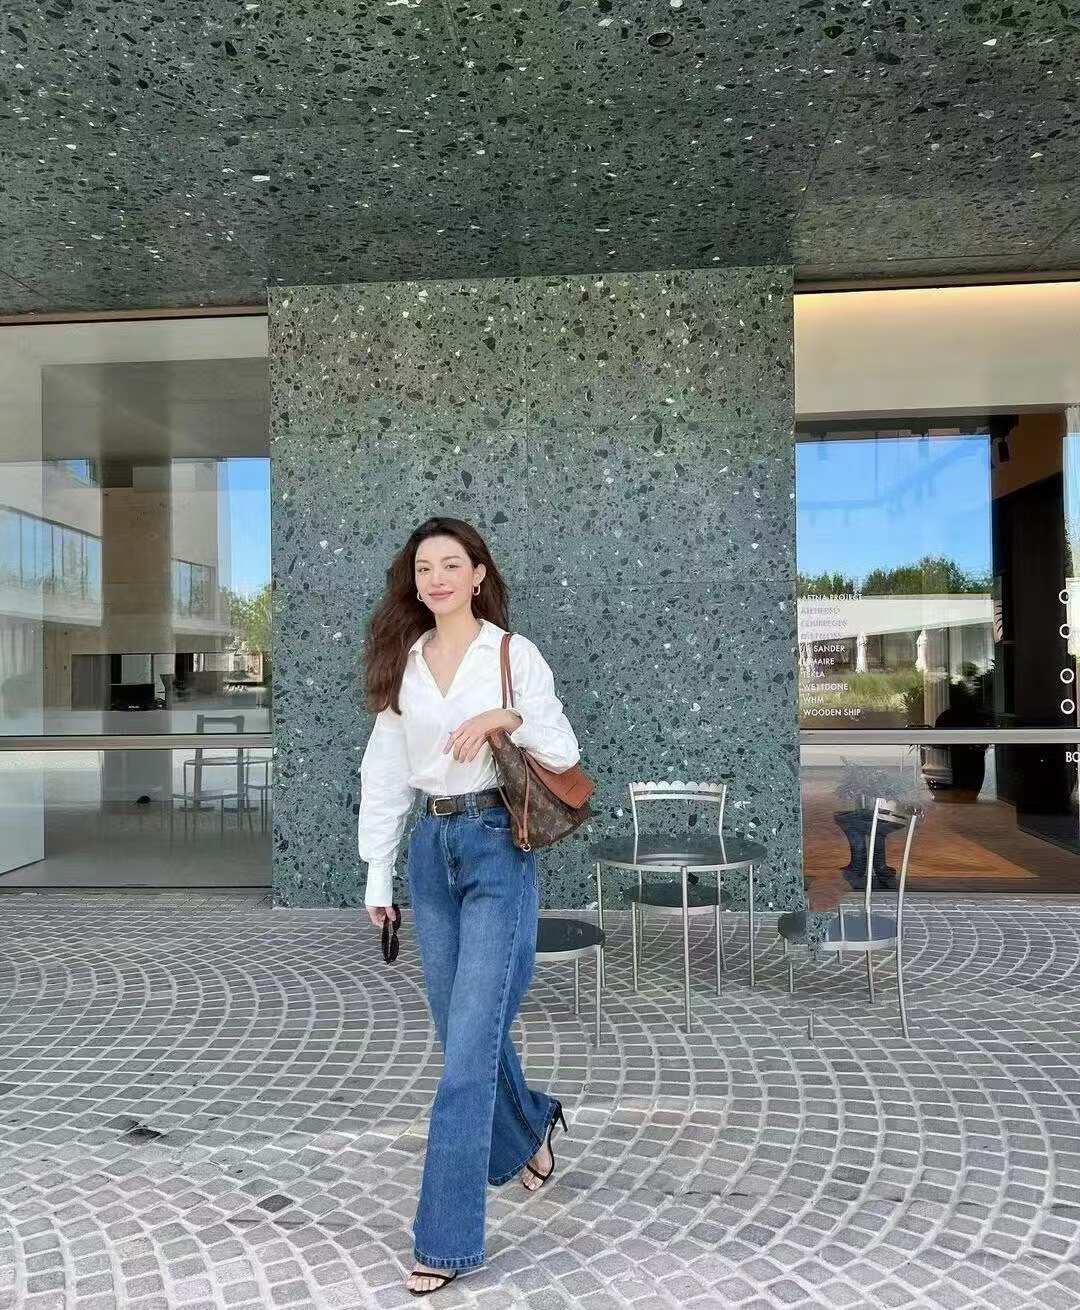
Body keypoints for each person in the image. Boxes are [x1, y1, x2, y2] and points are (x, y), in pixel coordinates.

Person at [357, 516, 582, 1296]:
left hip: (497, 845)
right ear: (413, 581)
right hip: (431, 850)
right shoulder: (407, 660)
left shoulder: (512, 655)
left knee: (465, 1057)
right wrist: (377, 875)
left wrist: (502, 717)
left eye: (452, 564)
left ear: (478, 574)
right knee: (464, 1034)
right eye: (425, 568)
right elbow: (385, 771)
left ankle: (445, 1241)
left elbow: (563, 749)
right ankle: (528, 1129)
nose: (438, 579)